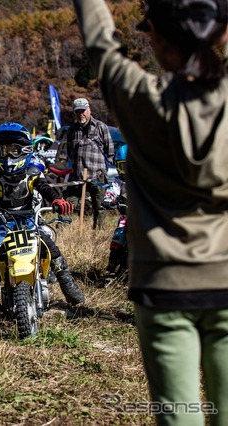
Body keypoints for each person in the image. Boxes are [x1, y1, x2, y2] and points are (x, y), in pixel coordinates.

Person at [72, 0, 228, 423]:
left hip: (164, 283)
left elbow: (102, 45)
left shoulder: (141, 99)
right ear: (222, 35)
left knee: (179, 415)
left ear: (156, 40)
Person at [0, 122, 86, 317]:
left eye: (14, 150)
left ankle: (69, 287)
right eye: (4, 150)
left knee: (50, 248)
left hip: (30, 221)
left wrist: (56, 199)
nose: (8, 156)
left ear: (25, 150)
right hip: (4, 224)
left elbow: (45, 187)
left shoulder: (32, 173)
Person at [60, 97, 115, 228]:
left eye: (83, 110)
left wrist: (105, 170)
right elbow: (69, 152)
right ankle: (60, 231)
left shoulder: (101, 127)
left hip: (97, 175)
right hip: (78, 175)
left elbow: (110, 151)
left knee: (100, 206)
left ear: (89, 109)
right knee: (67, 204)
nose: (81, 114)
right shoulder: (72, 130)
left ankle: (98, 233)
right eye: (78, 111)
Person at [103, 144, 128, 280]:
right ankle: (112, 267)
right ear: (118, 166)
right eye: (124, 166)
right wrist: (109, 199)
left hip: (144, 216)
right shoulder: (119, 183)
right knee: (118, 237)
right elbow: (111, 191)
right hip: (126, 216)